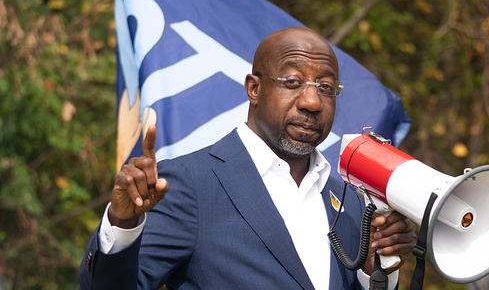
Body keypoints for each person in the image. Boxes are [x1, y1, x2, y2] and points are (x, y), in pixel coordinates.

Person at [79, 26, 416, 289]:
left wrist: (375, 273)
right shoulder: (188, 184)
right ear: (254, 89)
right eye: (292, 81)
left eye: (326, 87)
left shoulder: (350, 202)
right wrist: (122, 224)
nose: (312, 101)